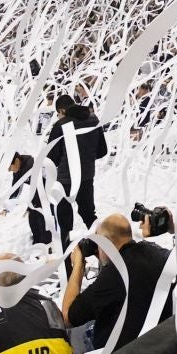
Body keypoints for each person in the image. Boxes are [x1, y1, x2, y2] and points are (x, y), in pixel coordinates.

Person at [60, 213, 171, 353]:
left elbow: (67, 317)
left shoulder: (112, 276)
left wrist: (78, 265)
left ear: (105, 244)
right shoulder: (157, 252)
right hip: (163, 346)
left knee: (75, 334)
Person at [46, 95, 107, 247]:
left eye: (58, 114)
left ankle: (66, 262)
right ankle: (106, 251)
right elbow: (102, 150)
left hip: (66, 180)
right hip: (86, 176)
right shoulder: (93, 119)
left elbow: (51, 158)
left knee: (64, 220)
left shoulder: (61, 125)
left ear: (61, 110)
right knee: (88, 215)